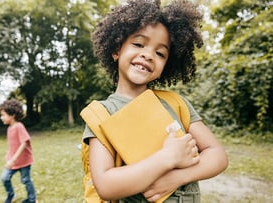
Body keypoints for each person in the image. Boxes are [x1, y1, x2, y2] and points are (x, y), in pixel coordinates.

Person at [82, 0, 228, 202]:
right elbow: (106, 185)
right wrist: (168, 157)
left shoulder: (176, 103)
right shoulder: (100, 114)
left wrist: (176, 178)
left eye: (160, 53)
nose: (148, 55)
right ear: (116, 50)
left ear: (166, 65)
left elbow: (217, 156)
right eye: (138, 44)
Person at [0, 99, 38, 203]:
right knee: (4, 178)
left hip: (24, 161)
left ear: (12, 115)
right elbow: (12, 145)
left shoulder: (19, 127)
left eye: (3, 115)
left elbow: (24, 143)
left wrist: (13, 159)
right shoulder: (9, 129)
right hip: (13, 162)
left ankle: (32, 199)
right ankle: (11, 194)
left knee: (26, 180)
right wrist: (8, 156)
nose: (1, 117)